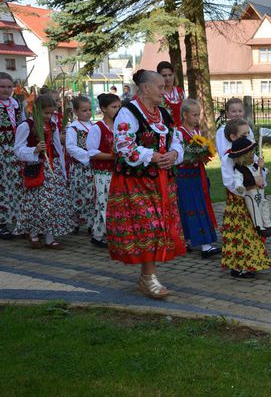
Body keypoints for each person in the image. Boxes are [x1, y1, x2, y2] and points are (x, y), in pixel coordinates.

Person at [106, 69, 186, 299]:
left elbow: (177, 138)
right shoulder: (128, 112)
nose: (164, 90)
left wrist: (173, 154)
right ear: (145, 88)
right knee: (148, 226)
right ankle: (148, 277)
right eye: (160, 87)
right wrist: (151, 156)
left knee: (159, 226)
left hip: (161, 180)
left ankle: (147, 275)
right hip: (136, 182)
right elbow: (123, 145)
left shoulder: (164, 113)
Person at [14, 94, 75, 249]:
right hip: (37, 167)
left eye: (51, 113)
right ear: (36, 110)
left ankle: (49, 237)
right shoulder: (26, 125)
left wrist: (62, 168)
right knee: (37, 204)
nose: (49, 116)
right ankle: (33, 234)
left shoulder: (52, 125)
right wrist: (34, 150)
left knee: (53, 203)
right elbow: (18, 150)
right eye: (46, 113)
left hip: (52, 168)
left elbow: (57, 148)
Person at [219, 119, 271, 278]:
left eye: (249, 133)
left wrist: (261, 176)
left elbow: (257, 171)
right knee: (241, 234)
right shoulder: (228, 158)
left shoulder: (250, 153)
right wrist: (250, 184)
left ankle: (248, 263)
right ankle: (240, 266)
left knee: (254, 231)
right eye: (244, 134)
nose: (249, 136)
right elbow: (229, 182)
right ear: (233, 137)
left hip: (253, 198)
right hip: (239, 203)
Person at [176, 98, 221, 259]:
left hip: (196, 175)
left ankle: (199, 242)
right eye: (194, 115)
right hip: (184, 177)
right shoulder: (178, 133)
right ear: (184, 114)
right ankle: (198, 242)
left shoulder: (196, 132)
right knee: (189, 207)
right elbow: (177, 156)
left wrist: (203, 155)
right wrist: (192, 157)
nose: (197, 118)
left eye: (198, 115)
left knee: (199, 206)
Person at [86, 93, 120, 248]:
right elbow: (92, 152)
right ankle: (113, 235)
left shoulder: (120, 127)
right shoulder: (97, 128)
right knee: (105, 203)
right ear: (104, 109)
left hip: (116, 171)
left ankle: (98, 235)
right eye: (114, 107)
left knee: (110, 203)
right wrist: (112, 156)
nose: (117, 110)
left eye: (119, 106)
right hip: (102, 172)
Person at [228, 136, 271, 237]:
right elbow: (238, 179)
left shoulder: (254, 165)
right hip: (251, 193)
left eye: (252, 154)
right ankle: (259, 227)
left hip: (260, 192)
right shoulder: (240, 169)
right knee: (255, 209)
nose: (252, 157)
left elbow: (260, 173)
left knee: (264, 205)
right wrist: (239, 186)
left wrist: (263, 168)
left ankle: (267, 223)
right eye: (249, 155)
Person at [65, 96, 95, 234]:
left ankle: (91, 222)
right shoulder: (73, 128)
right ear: (76, 111)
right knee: (77, 193)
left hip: (92, 167)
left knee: (91, 194)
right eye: (84, 110)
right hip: (80, 167)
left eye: (89, 110)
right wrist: (87, 156)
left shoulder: (95, 126)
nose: (88, 113)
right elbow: (70, 147)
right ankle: (74, 222)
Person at [0, 72, 24, 239]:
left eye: (9, 86)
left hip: (14, 151)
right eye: (2, 86)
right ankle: (1, 224)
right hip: (1, 150)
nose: (7, 90)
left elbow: (22, 125)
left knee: (14, 186)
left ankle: (16, 221)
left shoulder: (16, 104)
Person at [157, 61, 185, 127]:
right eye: (164, 76)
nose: (167, 78)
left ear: (173, 75)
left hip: (180, 128)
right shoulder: (157, 93)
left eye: (170, 75)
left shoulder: (180, 92)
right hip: (163, 128)